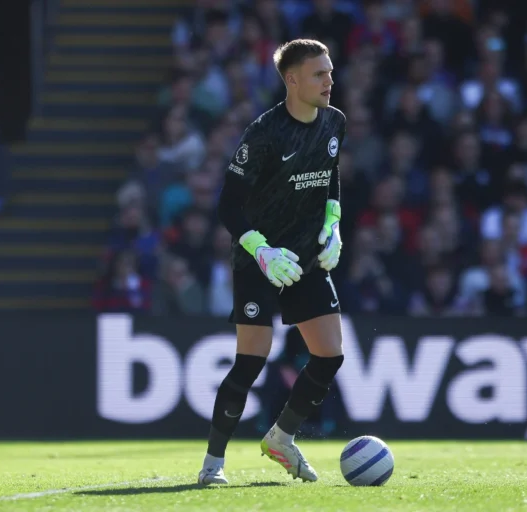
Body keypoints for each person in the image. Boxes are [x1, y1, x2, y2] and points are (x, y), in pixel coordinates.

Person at [198, 39, 346, 486]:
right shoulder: (264, 133)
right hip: (260, 259)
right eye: (319, 74)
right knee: (251, 360)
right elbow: (228, 206)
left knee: (329, 355)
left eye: (330, 71)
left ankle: (281, 438)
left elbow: (330, 175)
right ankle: (212, 465)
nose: (329, 81)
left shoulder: (335, 122)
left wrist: (333, 223)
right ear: (292, 80)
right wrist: (260, 250)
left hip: (305, 257)